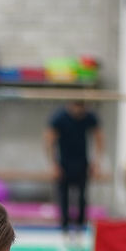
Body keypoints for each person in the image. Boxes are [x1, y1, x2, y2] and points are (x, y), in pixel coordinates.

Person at [46, 100, 104, 243]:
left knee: (82, 197)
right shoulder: (59, 118)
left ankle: (80, 228)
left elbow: (99, 138)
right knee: (64, 198)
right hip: (64, 163)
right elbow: (49, 140)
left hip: (82, 163)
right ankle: (65, 229)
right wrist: (53, 164)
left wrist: (96, 162)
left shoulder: (89, 117)